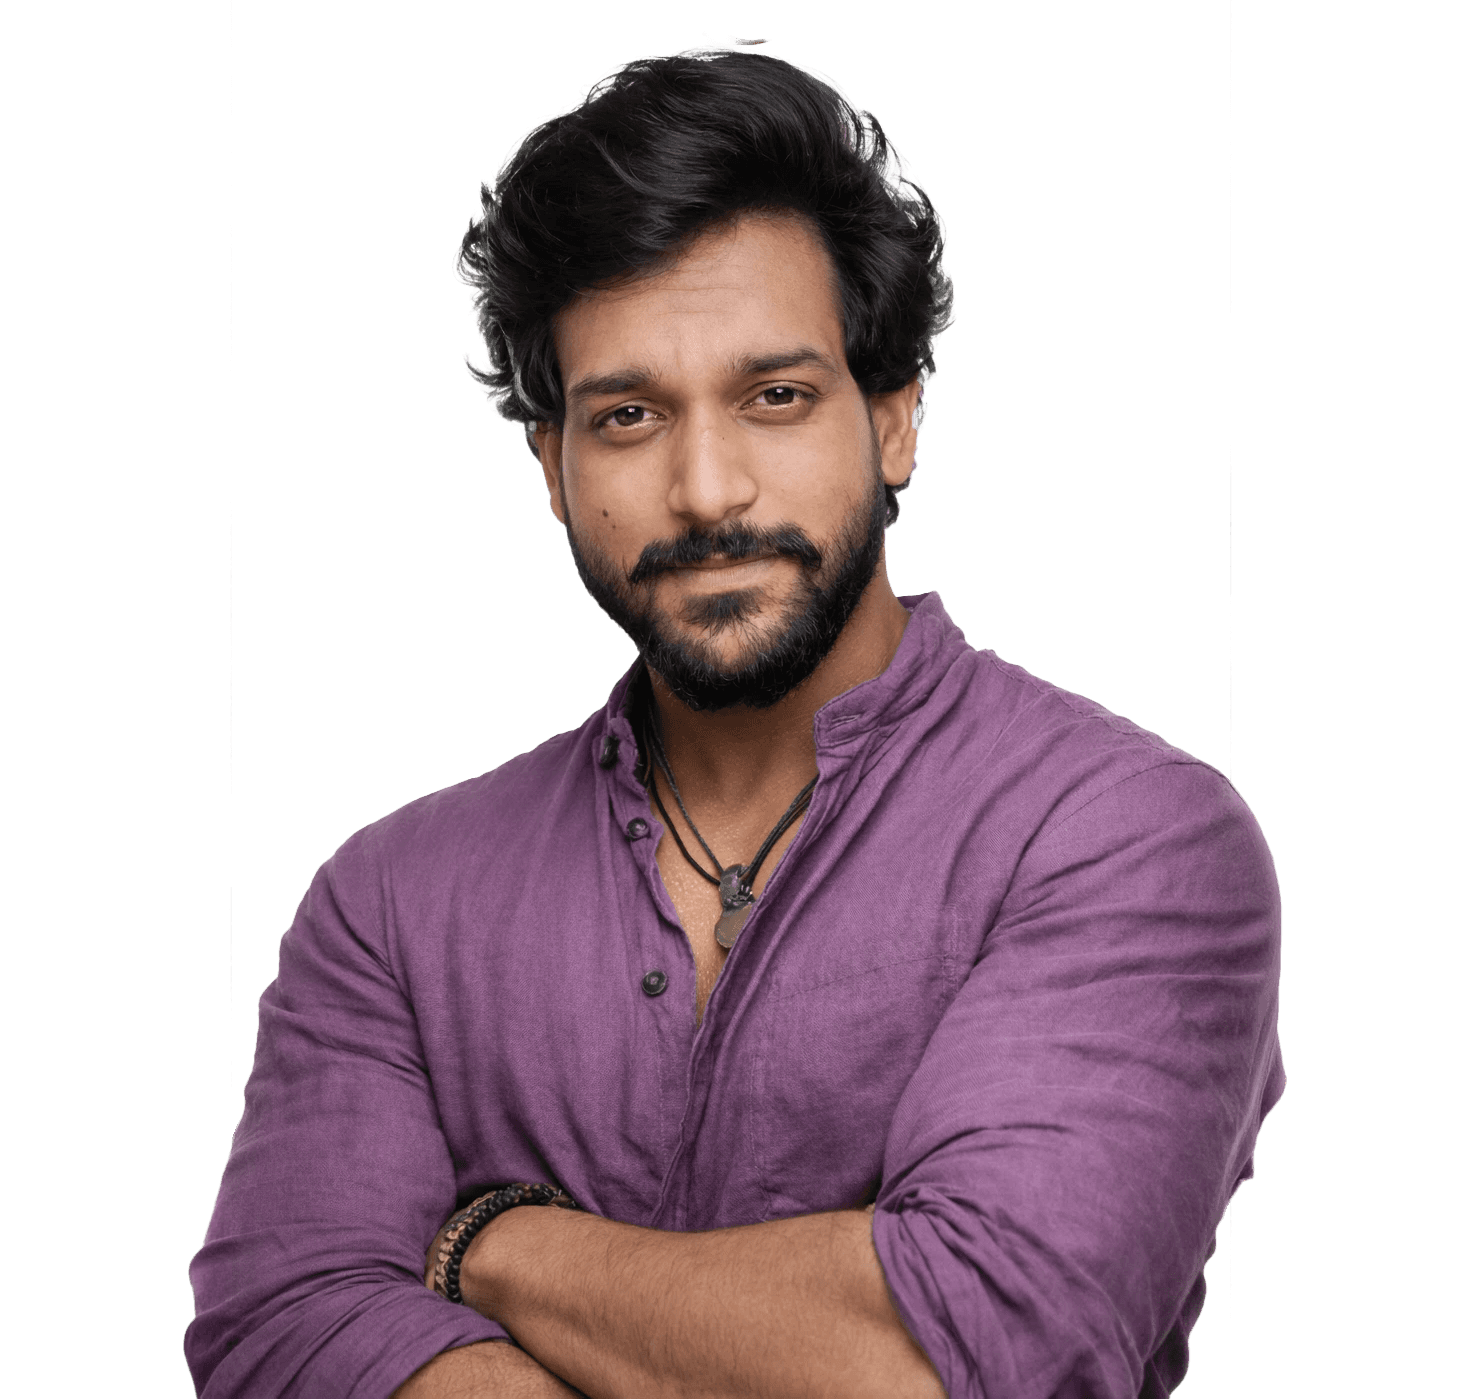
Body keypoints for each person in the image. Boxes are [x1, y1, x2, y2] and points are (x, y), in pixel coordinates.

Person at [185, 41, 1284, 1399]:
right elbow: (281, 1332)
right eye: (628, 415)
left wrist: (486, 1242)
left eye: (775, 397)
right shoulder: (390, 903)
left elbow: (967, 1362)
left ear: (894, 417)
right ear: (552, 465)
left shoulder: (1127, 836)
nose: (705, 489)